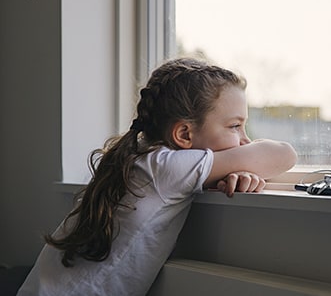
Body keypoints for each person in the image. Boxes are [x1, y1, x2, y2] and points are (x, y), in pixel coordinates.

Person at [17, 58, 298, 296]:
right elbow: (284, 155)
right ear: (184, 135)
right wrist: (239, 163)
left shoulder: (141, 159)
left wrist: (233, 171)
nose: (245, 141)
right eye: (235, 126)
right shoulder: (166, 168)